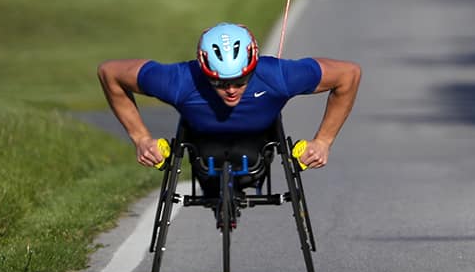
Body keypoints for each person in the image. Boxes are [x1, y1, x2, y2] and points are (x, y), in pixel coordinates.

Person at [97, 22, 361, 177]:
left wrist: (323, 141)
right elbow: (110, 72)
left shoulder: (277, 75)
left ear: (252, 67)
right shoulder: (179, 80)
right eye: (220, 83)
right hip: (201, 146)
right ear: (203, 70)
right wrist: (141, 139)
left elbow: (348, 74)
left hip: (260, 145)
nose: (231, 90)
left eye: (240, 80)